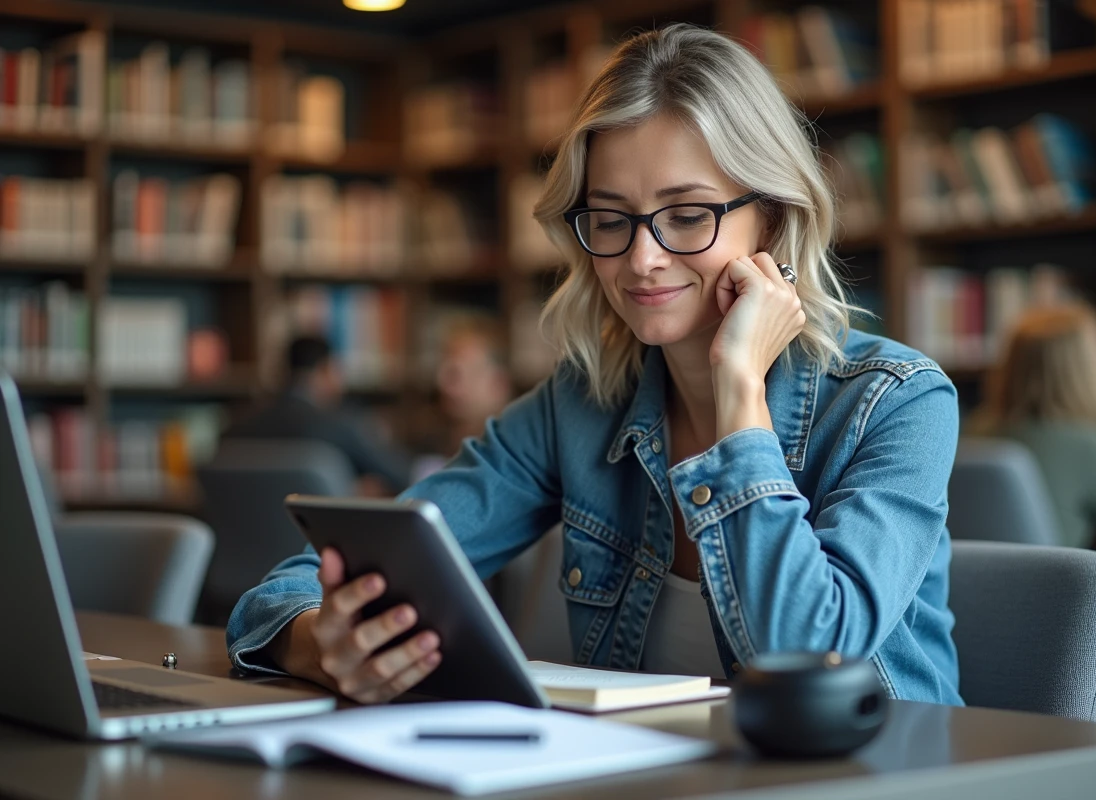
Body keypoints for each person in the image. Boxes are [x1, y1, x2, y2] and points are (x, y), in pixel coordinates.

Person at [226, 24, 963, 706]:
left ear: (769, 217)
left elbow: (808, 657)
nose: (642, 260)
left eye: (687, 214)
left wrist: (740, 393)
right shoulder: (579, 406)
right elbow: (301, 581)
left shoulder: (898, 403)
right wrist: (318, 643)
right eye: (610, 219)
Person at [973, 302, 1096, 548]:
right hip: (1049, 585)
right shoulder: (1085, 445)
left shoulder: (974, 432)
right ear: (1078, 371)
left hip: (970, 582)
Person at [222, 335, 410, 496]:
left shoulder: (234, 429)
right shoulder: (337, 426)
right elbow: (402, 475)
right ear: (326, 369)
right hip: (321, 537)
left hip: (248, 538)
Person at [409, 316, 515, 483]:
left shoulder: (516, 458)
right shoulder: (420, 440)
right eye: (444, 369)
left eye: (458, 373)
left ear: (499, 383)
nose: (443, 382)